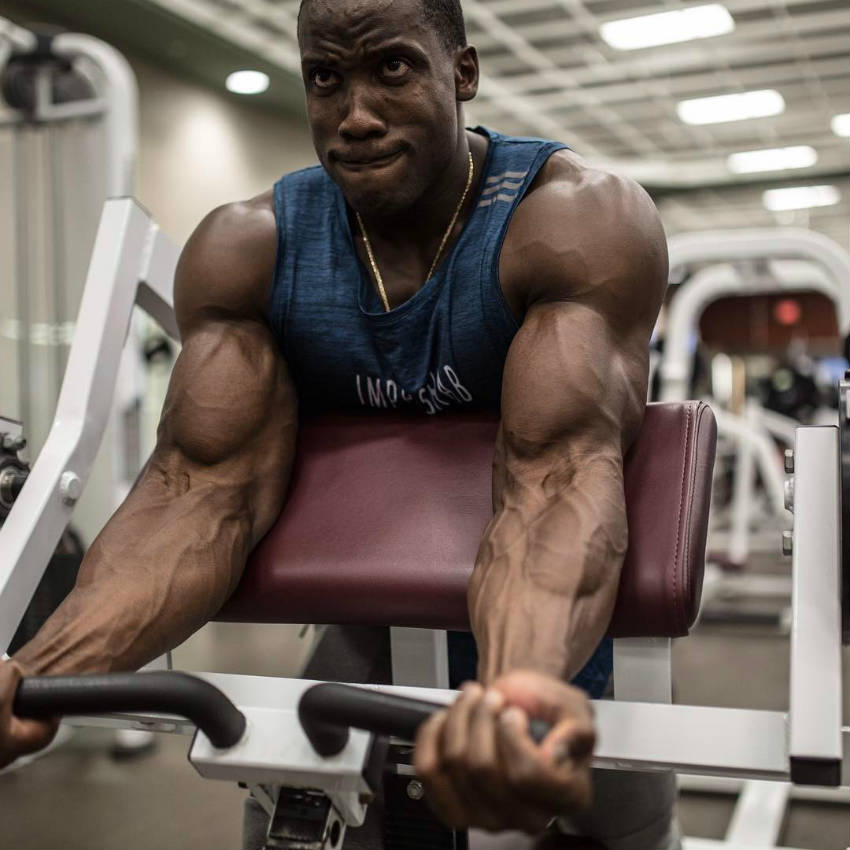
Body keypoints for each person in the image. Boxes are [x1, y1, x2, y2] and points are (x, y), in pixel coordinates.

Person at [0, 0, 674, 846]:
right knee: (293, 799)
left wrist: (515, 694)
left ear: (462, 73)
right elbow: (199, 491)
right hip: (371, 618)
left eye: (392, 68)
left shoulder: (573, 221)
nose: (355, 117)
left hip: (560, 590)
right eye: (326, 78)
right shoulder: (254, 247)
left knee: (611, 823)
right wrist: (32, 677)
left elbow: (558, 476)